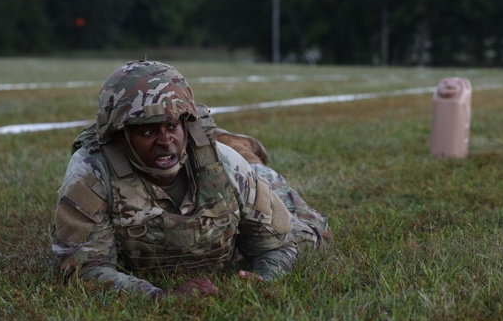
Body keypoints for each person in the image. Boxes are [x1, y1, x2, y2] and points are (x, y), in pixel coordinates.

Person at [51, 60, 332, 298]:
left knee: (311, 233)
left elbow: (278, 245)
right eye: (148, 132)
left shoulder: (226, 165)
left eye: (172, 126)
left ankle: (245, 152)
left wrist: (265, 278)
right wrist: (158, 296)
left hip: (244, 171)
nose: (165, 141)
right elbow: (83, 268)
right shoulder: (91, 175)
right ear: (120, 138)